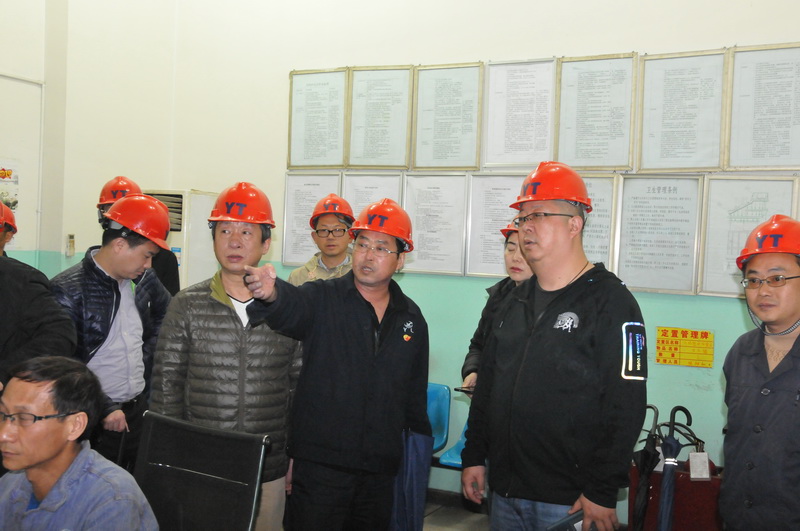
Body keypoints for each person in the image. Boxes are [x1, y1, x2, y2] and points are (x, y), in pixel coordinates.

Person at [461, 161, 647, 531]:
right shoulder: (510, 300)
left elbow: (626, 403)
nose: (526, 226)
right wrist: (474, 455)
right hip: (505, 491)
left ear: (574, 225)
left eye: (539, 215)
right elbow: (488, 389)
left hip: (570, 499)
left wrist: (602, 489)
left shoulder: (612, 302)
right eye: (522, 217)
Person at [244, 198, 430, 531]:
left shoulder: (411, 318)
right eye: (363, 244)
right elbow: (292, 307)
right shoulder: (322, 298)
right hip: (321, 465)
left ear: (401, 259)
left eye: (381, 248)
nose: (368, 255)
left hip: (379, 468)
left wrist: (413, 457)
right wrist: (272, 294)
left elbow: (414, 396)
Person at [151, 181, 303, 531]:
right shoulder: (187, 305)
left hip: (268, 465)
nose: (234, 242)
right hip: (203, 463)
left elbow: (300, 387)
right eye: (224, 231)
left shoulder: (289, 308)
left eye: (246, 232)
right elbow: (166, 386)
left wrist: (296, 455)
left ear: (266, 243)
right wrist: (170, 458)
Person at [51, 193, 172, 472]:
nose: (148, 265)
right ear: (119, 245)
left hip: (136, 411)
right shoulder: (67, 290)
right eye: (147, 255)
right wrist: (105, 406)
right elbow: (63, 362)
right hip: (91, 418)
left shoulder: (144, 280)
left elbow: (167, 313)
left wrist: (145, 354)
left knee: (133, 486)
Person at [0, 356, 157, 530]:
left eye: (24, 418)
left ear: (75, 426)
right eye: (2, 414)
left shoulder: (112, 499)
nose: (4, 434)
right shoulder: (10, 484)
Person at [720, 214, 800, 530]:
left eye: (777, 278)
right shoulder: (741, 352)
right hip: (739, 517)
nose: (763, 290)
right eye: (753, 280)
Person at [460, 222, 533, 392]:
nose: (516, 257)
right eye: (510, 248)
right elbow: (478, 345)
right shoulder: (499, 296)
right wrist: (473, 371)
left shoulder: (548, 302)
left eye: (525, 250)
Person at [97, 175, 181, 295]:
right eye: (112, 209)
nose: (118, 216)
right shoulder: (96, 263)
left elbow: (170, 304)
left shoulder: (164, 259)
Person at [287, 193, 354, 286]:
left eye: (338, 230)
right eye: (323, 230)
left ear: (350, 236)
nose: (330, 237)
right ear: (314, 237)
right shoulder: (297, 277)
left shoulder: (361, 275)